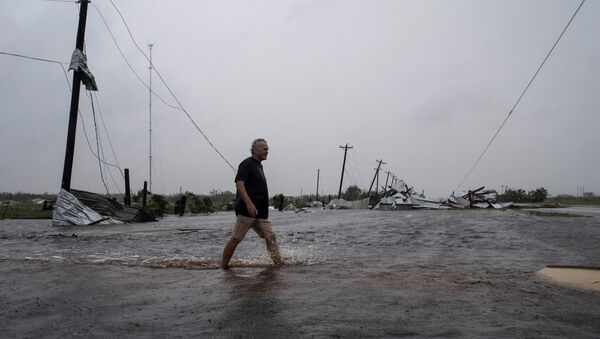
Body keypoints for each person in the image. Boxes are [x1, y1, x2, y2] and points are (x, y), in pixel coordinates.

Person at [221, 138, 284, 269]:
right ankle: (223, 267)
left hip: (259, 212)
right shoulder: (247, 163)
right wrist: (249, 203)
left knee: (270, 236)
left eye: (267, 149)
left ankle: (279, 265)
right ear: (255, 150)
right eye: (264, 149)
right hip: (247, 210)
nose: (267, 151)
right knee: (236, 238)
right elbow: (239, 183)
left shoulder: (259, 165)